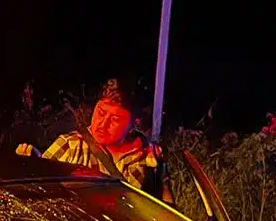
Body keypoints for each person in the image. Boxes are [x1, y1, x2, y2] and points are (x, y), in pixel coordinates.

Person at [18, 80, 166, 200]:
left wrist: (159, 173)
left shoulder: (149, 156)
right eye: (101, 112)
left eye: (115, 119)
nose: (102, 124)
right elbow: (36, 195)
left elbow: (166, 209)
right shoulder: (71, 146)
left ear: (134, 123)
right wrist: (33, 164)